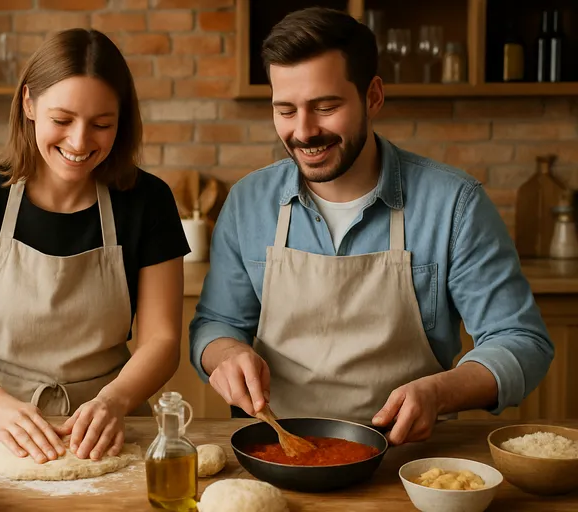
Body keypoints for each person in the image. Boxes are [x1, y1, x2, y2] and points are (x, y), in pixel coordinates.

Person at [189, 7, 554, 446]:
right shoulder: (248, 203)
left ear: (373, 97)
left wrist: (439, 392)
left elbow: (521, 341)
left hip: (410, 460)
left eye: (325, 107)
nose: (303, 132)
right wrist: (226, 354)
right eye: (285, 110)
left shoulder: (454, 204)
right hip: (277, 448)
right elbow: (216, 323)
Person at [0, 28, 190, 464]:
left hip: (102, 433)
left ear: (122, 120)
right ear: (28, 103)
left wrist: (114, 401)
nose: (79, 142)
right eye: (62, 120)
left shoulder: (148, 202)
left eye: (102, 125)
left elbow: (162, 339)